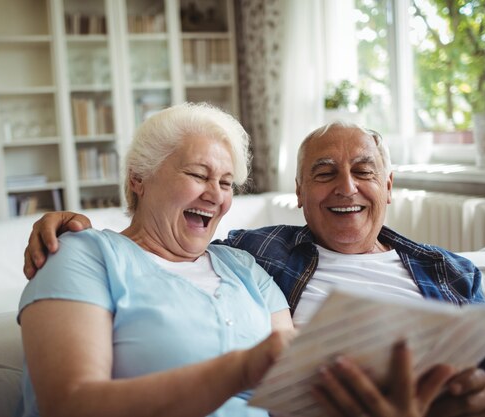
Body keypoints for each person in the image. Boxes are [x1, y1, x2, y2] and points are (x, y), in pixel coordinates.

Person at [23, 121, 485, 416]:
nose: (346, 187)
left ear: (389, 185)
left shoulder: (450, 272)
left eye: (364, 171)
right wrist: (74, 229)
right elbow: (159, 248)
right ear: (298, 196)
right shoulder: (265, 253)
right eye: (324, 174)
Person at [16, 102, 296, 417]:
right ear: (139, 178)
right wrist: (239, 370)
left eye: (226, 183)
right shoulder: (83, 256)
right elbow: (69, 405)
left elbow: (293, 390)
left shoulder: (245, 269)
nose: (215, 195)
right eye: (197, 174)